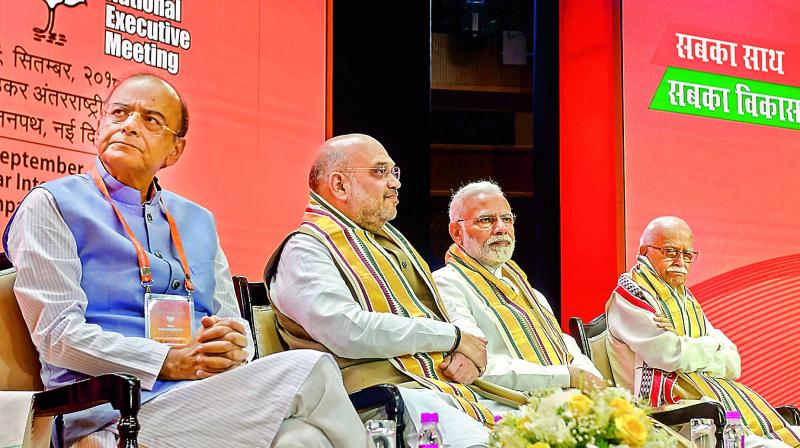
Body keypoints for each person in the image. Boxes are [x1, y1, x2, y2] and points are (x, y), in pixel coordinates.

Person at [3, 74, 367, 448]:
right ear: (100, 125)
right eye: (119, 113)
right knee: (311, 369)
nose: (129, 126)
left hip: (200, 397)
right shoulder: (52, 204)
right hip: (111, 410)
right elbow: (58, 337)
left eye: (151, 120)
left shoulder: (198, 221)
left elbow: (233, 326)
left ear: (175, 151)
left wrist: (231, 344)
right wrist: (169, 360)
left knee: (301, 439)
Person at [268, 134, 519, 448]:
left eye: (394, 172)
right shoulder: (306, 249)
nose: (395, 183)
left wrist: (466, 352)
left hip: (435, 389)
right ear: (340, 185)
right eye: (379, 172)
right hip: (380, 406)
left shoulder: (384, 243)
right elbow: (347, 330)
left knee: (542, 433)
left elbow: (434, 314)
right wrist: (451, 338)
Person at [605, 216, 800, 448]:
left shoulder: (684, 299)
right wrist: (709, 345)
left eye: (687, 254)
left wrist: (686, 342)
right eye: (670, 251)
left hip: (707, 405)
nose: (680, 261)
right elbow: (669, 354)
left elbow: (733, 363)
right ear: (644, 251)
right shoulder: (631, 294)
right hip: (674, 416)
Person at [432, 181, 605, 394]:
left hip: (568, 398)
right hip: (506, 407)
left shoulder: (528, 291)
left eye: (506, 219)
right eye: (486, 220)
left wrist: (591, 378)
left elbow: (564, 345)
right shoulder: (446, 284)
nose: (501, 228)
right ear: (457, 232)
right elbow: (474, 365)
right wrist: (566, 376)